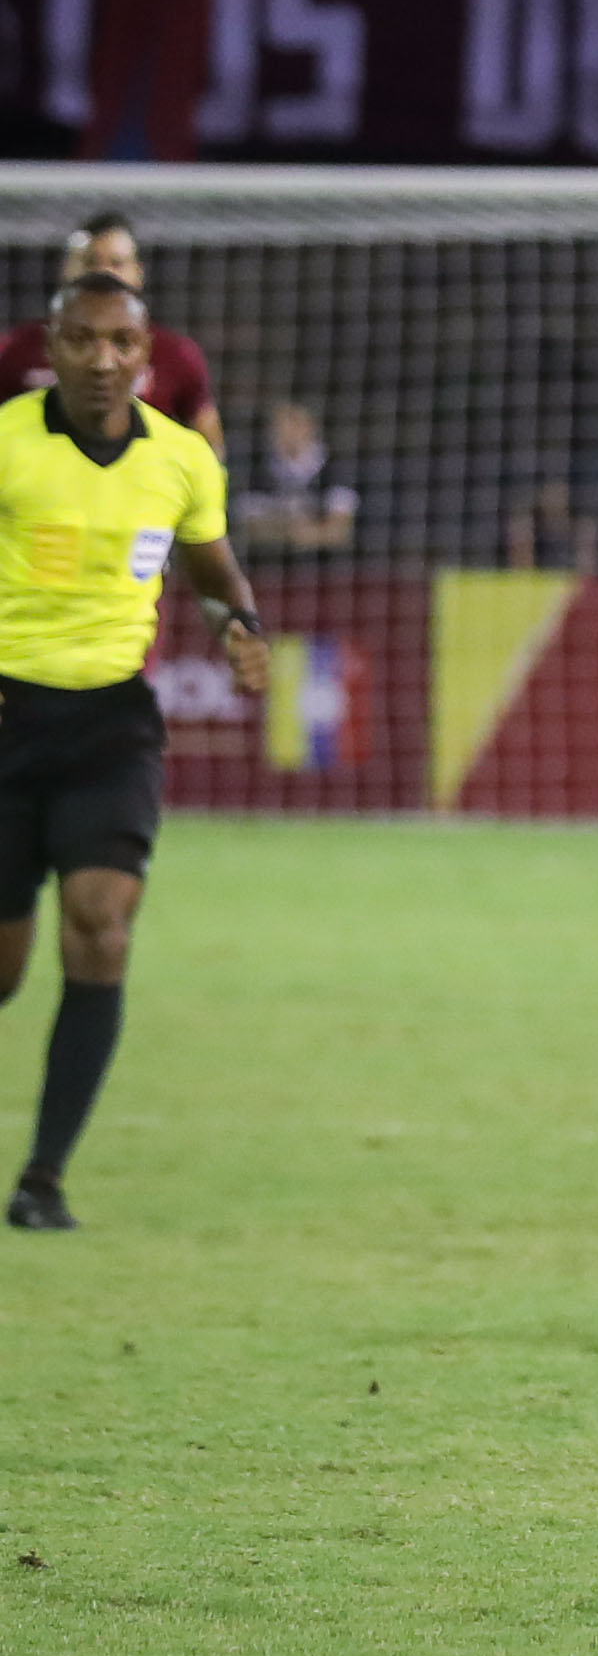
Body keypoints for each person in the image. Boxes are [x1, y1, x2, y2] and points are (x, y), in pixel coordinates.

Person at [0, 273, 269, 1231]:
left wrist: (239, 621)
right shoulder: (7, 442)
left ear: (146, 352)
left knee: (101, 924)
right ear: (54, 347)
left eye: (122, 343)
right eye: (83, 340)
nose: (104, 361)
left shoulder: (184, 459)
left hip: (112, 724)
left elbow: (211, 560)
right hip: (5, 714)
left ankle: (43, 1179)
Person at [0, 211, 224, 456]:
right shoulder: (15, 349)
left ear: (138, 272)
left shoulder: (176, 353)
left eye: (116, 263)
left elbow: (210, 445)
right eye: (90, 261)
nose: (102, 272)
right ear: (66, 269)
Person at [232, 401, 358, 552]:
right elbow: (248, 528)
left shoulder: (335, 468)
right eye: (280, 423)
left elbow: (340, 532)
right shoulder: (256, 470)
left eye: (295, 422)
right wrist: (298, 532)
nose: (286, 430)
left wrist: (283, 529)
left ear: (312, 426)